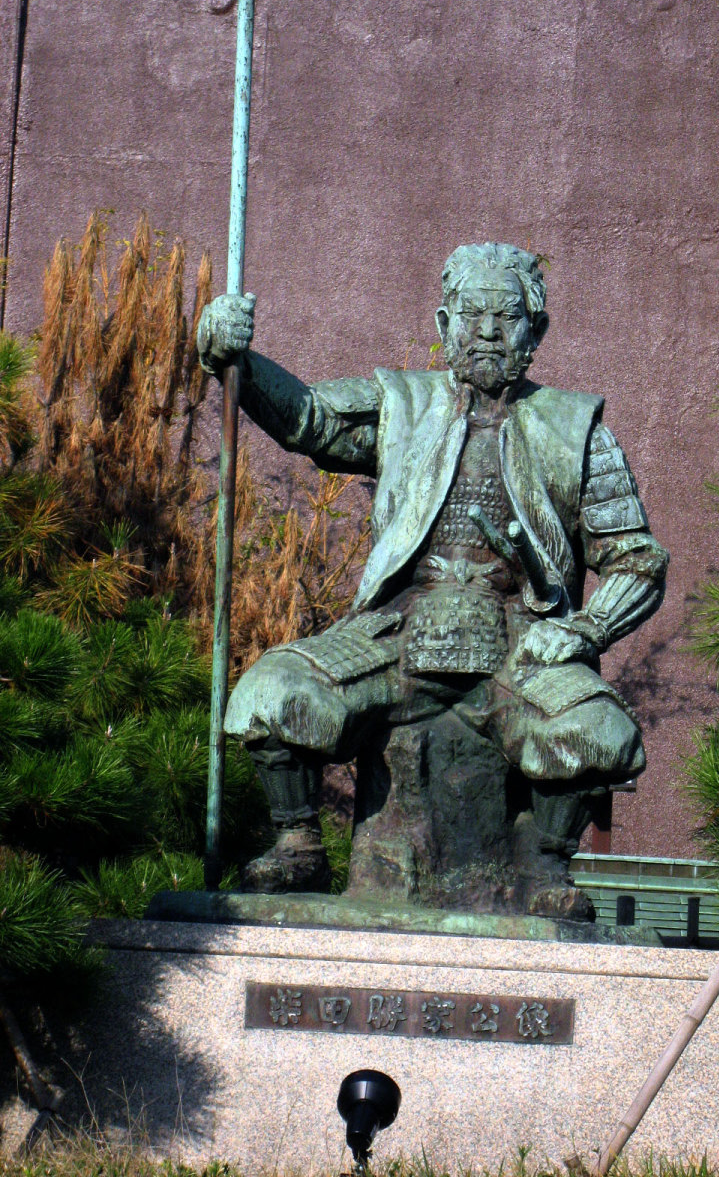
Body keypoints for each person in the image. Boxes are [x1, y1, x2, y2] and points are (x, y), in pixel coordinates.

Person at [197, 243, 668, 907]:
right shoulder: (402, 403)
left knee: (601, 734)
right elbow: (306, 418)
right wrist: (234, 360)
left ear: (537, 330)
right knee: (272, 692)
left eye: (507, 317)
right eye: (471, 315)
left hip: (520, 644)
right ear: (445, 324)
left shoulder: (578, 430)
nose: (488, 332)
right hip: (396, 638)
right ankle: (298, 845)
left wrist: (583, 630)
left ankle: (544, 869)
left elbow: (637, 560)